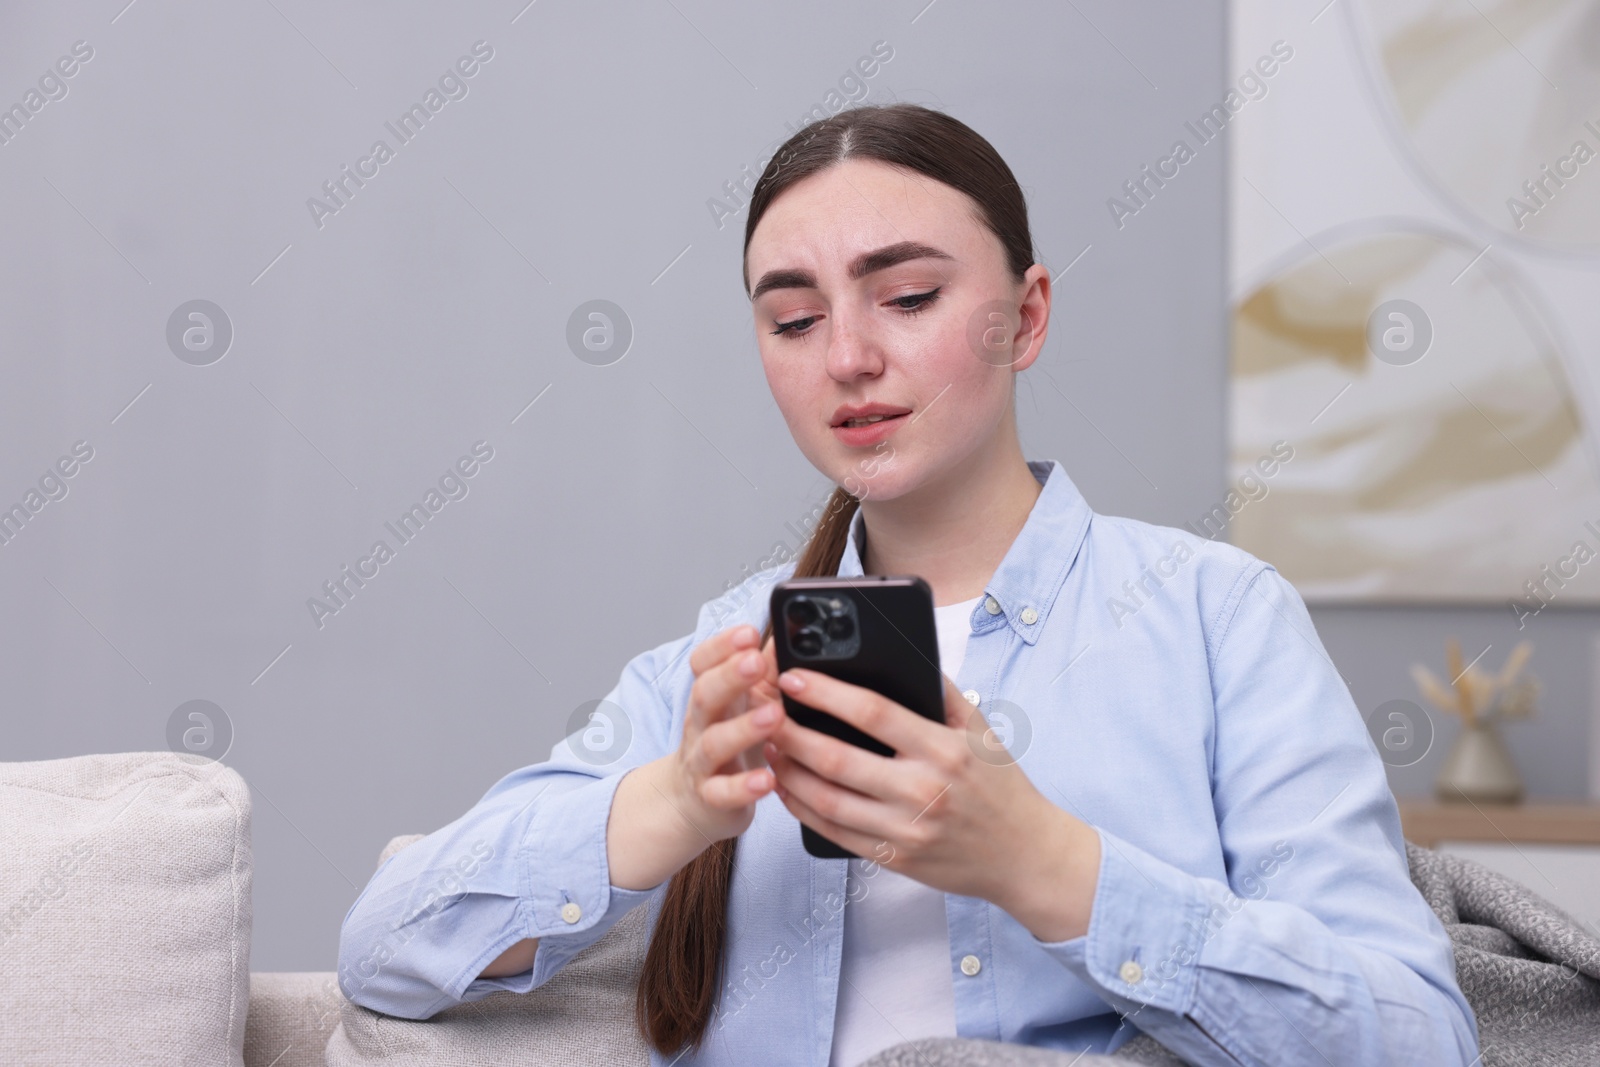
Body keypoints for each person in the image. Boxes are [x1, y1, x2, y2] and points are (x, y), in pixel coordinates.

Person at [337, 102, 1480, 1066]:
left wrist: (1042, 862)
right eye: (792, 318)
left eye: (909, 297)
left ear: (1024, 316)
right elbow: (385, 947)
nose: (844, 357)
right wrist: (676, 801)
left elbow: (1421, 1034)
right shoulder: (729, 654)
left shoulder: (1213, 616)